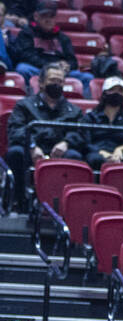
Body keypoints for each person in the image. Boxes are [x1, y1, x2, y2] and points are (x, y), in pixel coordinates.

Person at [5, 64, 82, 213]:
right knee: (15, 153)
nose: (56, 84)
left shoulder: (74, 110)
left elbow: (80, 133)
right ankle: (19, 203)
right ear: (41, 83)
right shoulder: (24, 105)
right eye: (53, 80)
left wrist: (66, 143)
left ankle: (65, 208)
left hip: (58, 150)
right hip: (31, 148)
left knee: (75, 156)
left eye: (60, 81)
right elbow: (15, 130)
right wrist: (32, 145)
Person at [11, 2, 89, 90]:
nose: (48, 19)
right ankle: (29, 98)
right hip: (37, 70)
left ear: (55, 18)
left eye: (51, 16)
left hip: (60, 73)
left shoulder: (63, 38)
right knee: (22, 69)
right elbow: (26, 56)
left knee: (87, 77)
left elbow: (73, 61)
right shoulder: (27, 34)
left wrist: (67, 66)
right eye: (44, 16)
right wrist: (51, 65)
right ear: (36, 16)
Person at [74, 76, 123, 169]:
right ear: (104, 93)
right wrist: (102, 152)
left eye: (120, 91)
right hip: (96, 153)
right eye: (112, 90)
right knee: (95, 159)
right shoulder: (90, 117)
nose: (116, 93)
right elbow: (85, 142)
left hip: (121, 154)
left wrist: (120, 149)